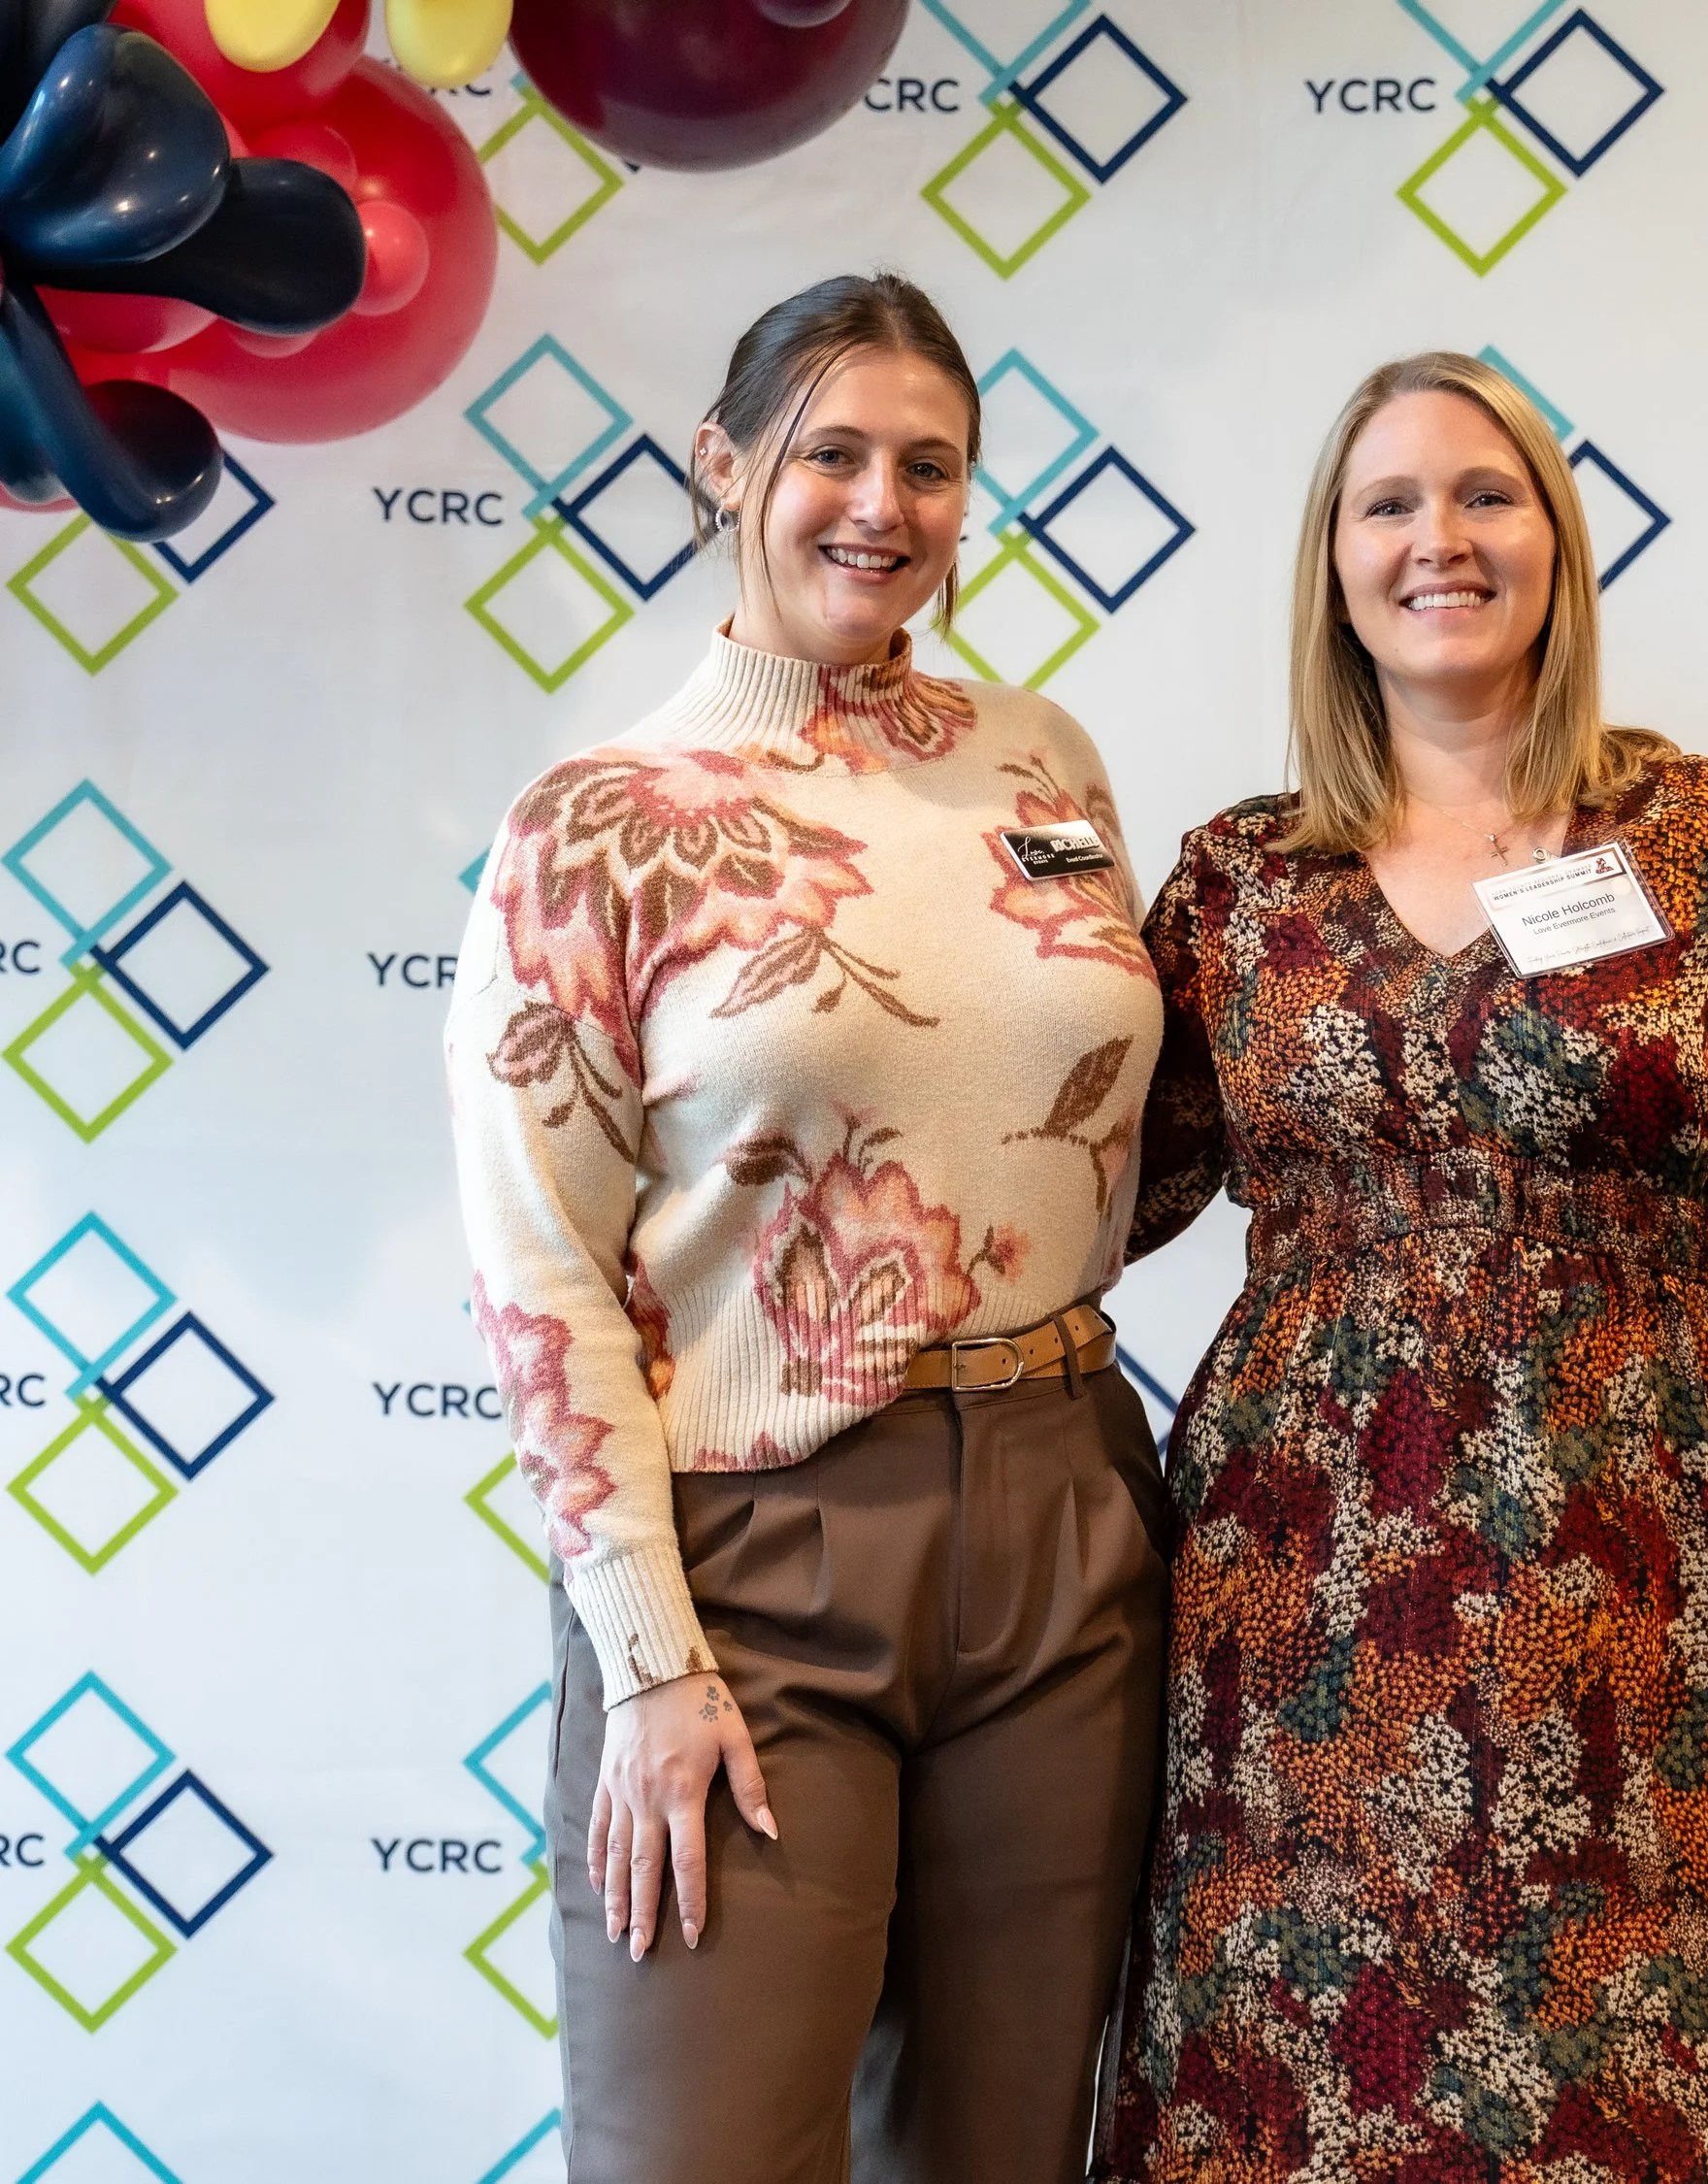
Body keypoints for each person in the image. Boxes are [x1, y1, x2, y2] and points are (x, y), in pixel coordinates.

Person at [1104, 351, 1708, 2182]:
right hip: (1297, 1605)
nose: (1439, 540)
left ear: (1558, 544)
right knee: (1301, 2068)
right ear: (1331, 564)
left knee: (1642, 2075)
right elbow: (1090, 1192)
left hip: (1637, 1600)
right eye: (1387, 504)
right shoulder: (1239, 883)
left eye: (1486, 496)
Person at [444, 272, 1171, 2184]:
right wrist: (649, 1658)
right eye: (830, 451)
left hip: (1064, 1521)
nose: (882, 503)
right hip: (750, 1553)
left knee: (1005, 2152)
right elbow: (539, 1272)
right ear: (722, 465)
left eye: (929, 465)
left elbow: (1088, 1132)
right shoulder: (596, 819)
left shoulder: (1043, 762)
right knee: (704, 2153)